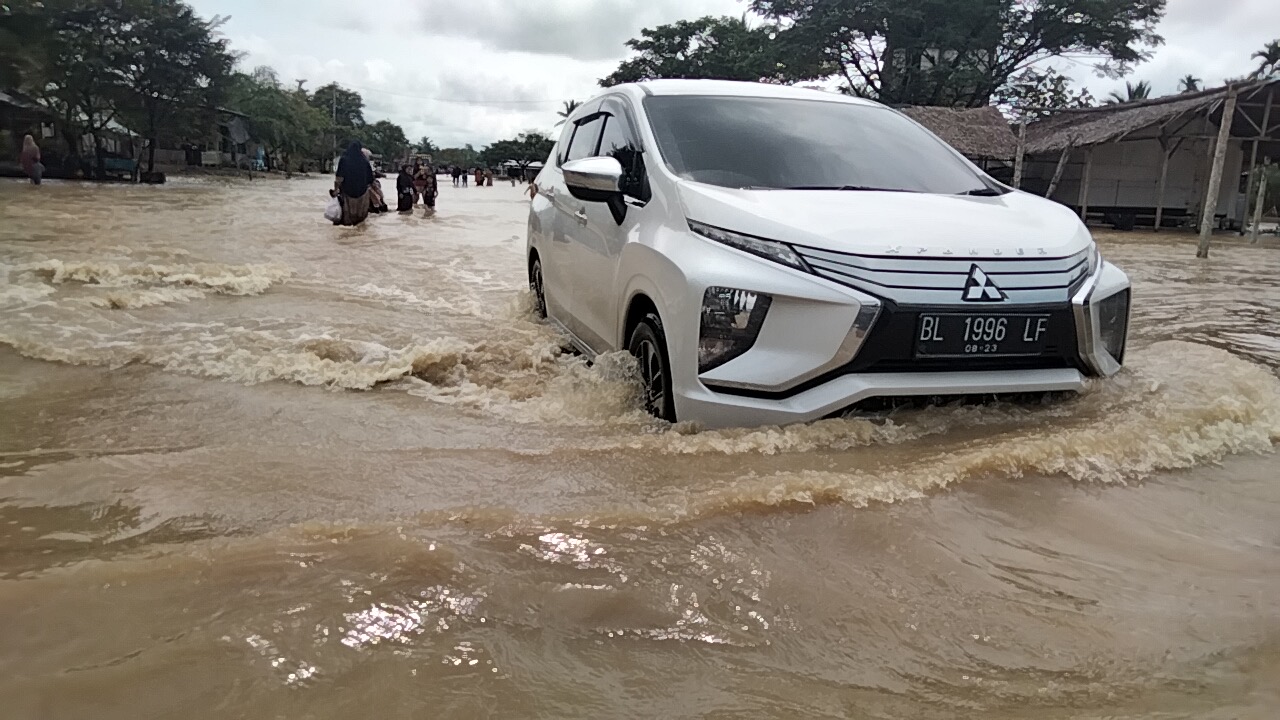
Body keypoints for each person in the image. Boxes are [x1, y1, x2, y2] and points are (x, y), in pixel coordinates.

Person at [333, 141, 374, 226]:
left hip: (347, 193)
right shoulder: (364, 161)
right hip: (362, 193)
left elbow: (339, 178)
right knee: (360, 221)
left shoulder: (344, 159)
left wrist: (336, 190)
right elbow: (370, 179)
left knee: (346, 220)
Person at [363, 148, 389, 213]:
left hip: (370, 183)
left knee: (376, 189)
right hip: (364, 185)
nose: (369, 158)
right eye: (368, 156)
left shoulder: (369, 164)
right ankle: (380, 205)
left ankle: (381, 203)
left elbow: (375, 172)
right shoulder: (362, 164)